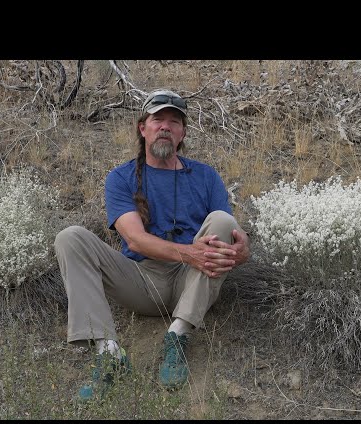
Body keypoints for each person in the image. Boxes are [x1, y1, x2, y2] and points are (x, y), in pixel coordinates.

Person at [54, 89, 250, 400]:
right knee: (70, 237)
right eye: (158, 119)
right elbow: (134, 239)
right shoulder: (121, 178)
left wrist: (242, 249)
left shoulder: (205, 176)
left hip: (193, 282)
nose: (165, 127)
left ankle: (177, 336)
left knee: (224, 222)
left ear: (182, 133)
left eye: (174, 122)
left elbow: (229, 234)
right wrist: (190, 253)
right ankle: (109, 353)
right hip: (142, 281)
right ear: (142, 128)